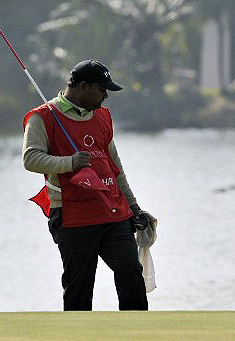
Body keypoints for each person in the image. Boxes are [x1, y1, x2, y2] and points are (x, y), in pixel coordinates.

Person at [22, 59, 155, 311]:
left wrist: (134, 206)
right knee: (79, 286)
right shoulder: (42, 117)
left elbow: (114, 167)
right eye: (102, 89)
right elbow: (30, 158)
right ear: (83, 86)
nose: (105, 96)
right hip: (73, 215)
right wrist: (69, 162)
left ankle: (138, 334)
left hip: (112, 211)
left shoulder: (103, 116)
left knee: (131, 273)